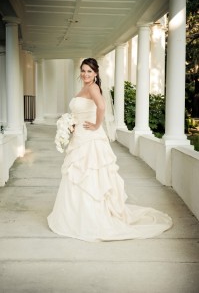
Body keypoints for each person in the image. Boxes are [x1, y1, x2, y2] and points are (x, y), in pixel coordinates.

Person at [47, 58, 172, 242]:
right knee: (77, 174)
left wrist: (97, 125)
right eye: (83, 71)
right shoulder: (83, 88)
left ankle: (91, 217)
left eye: (89, 71)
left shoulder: (93, 88)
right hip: (80, 135)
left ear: (96, 73)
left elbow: (102, 107)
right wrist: (71, 124)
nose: (85, 74)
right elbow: (81, 112)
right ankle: (77, 215)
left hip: (90, 138)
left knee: (89, 174)